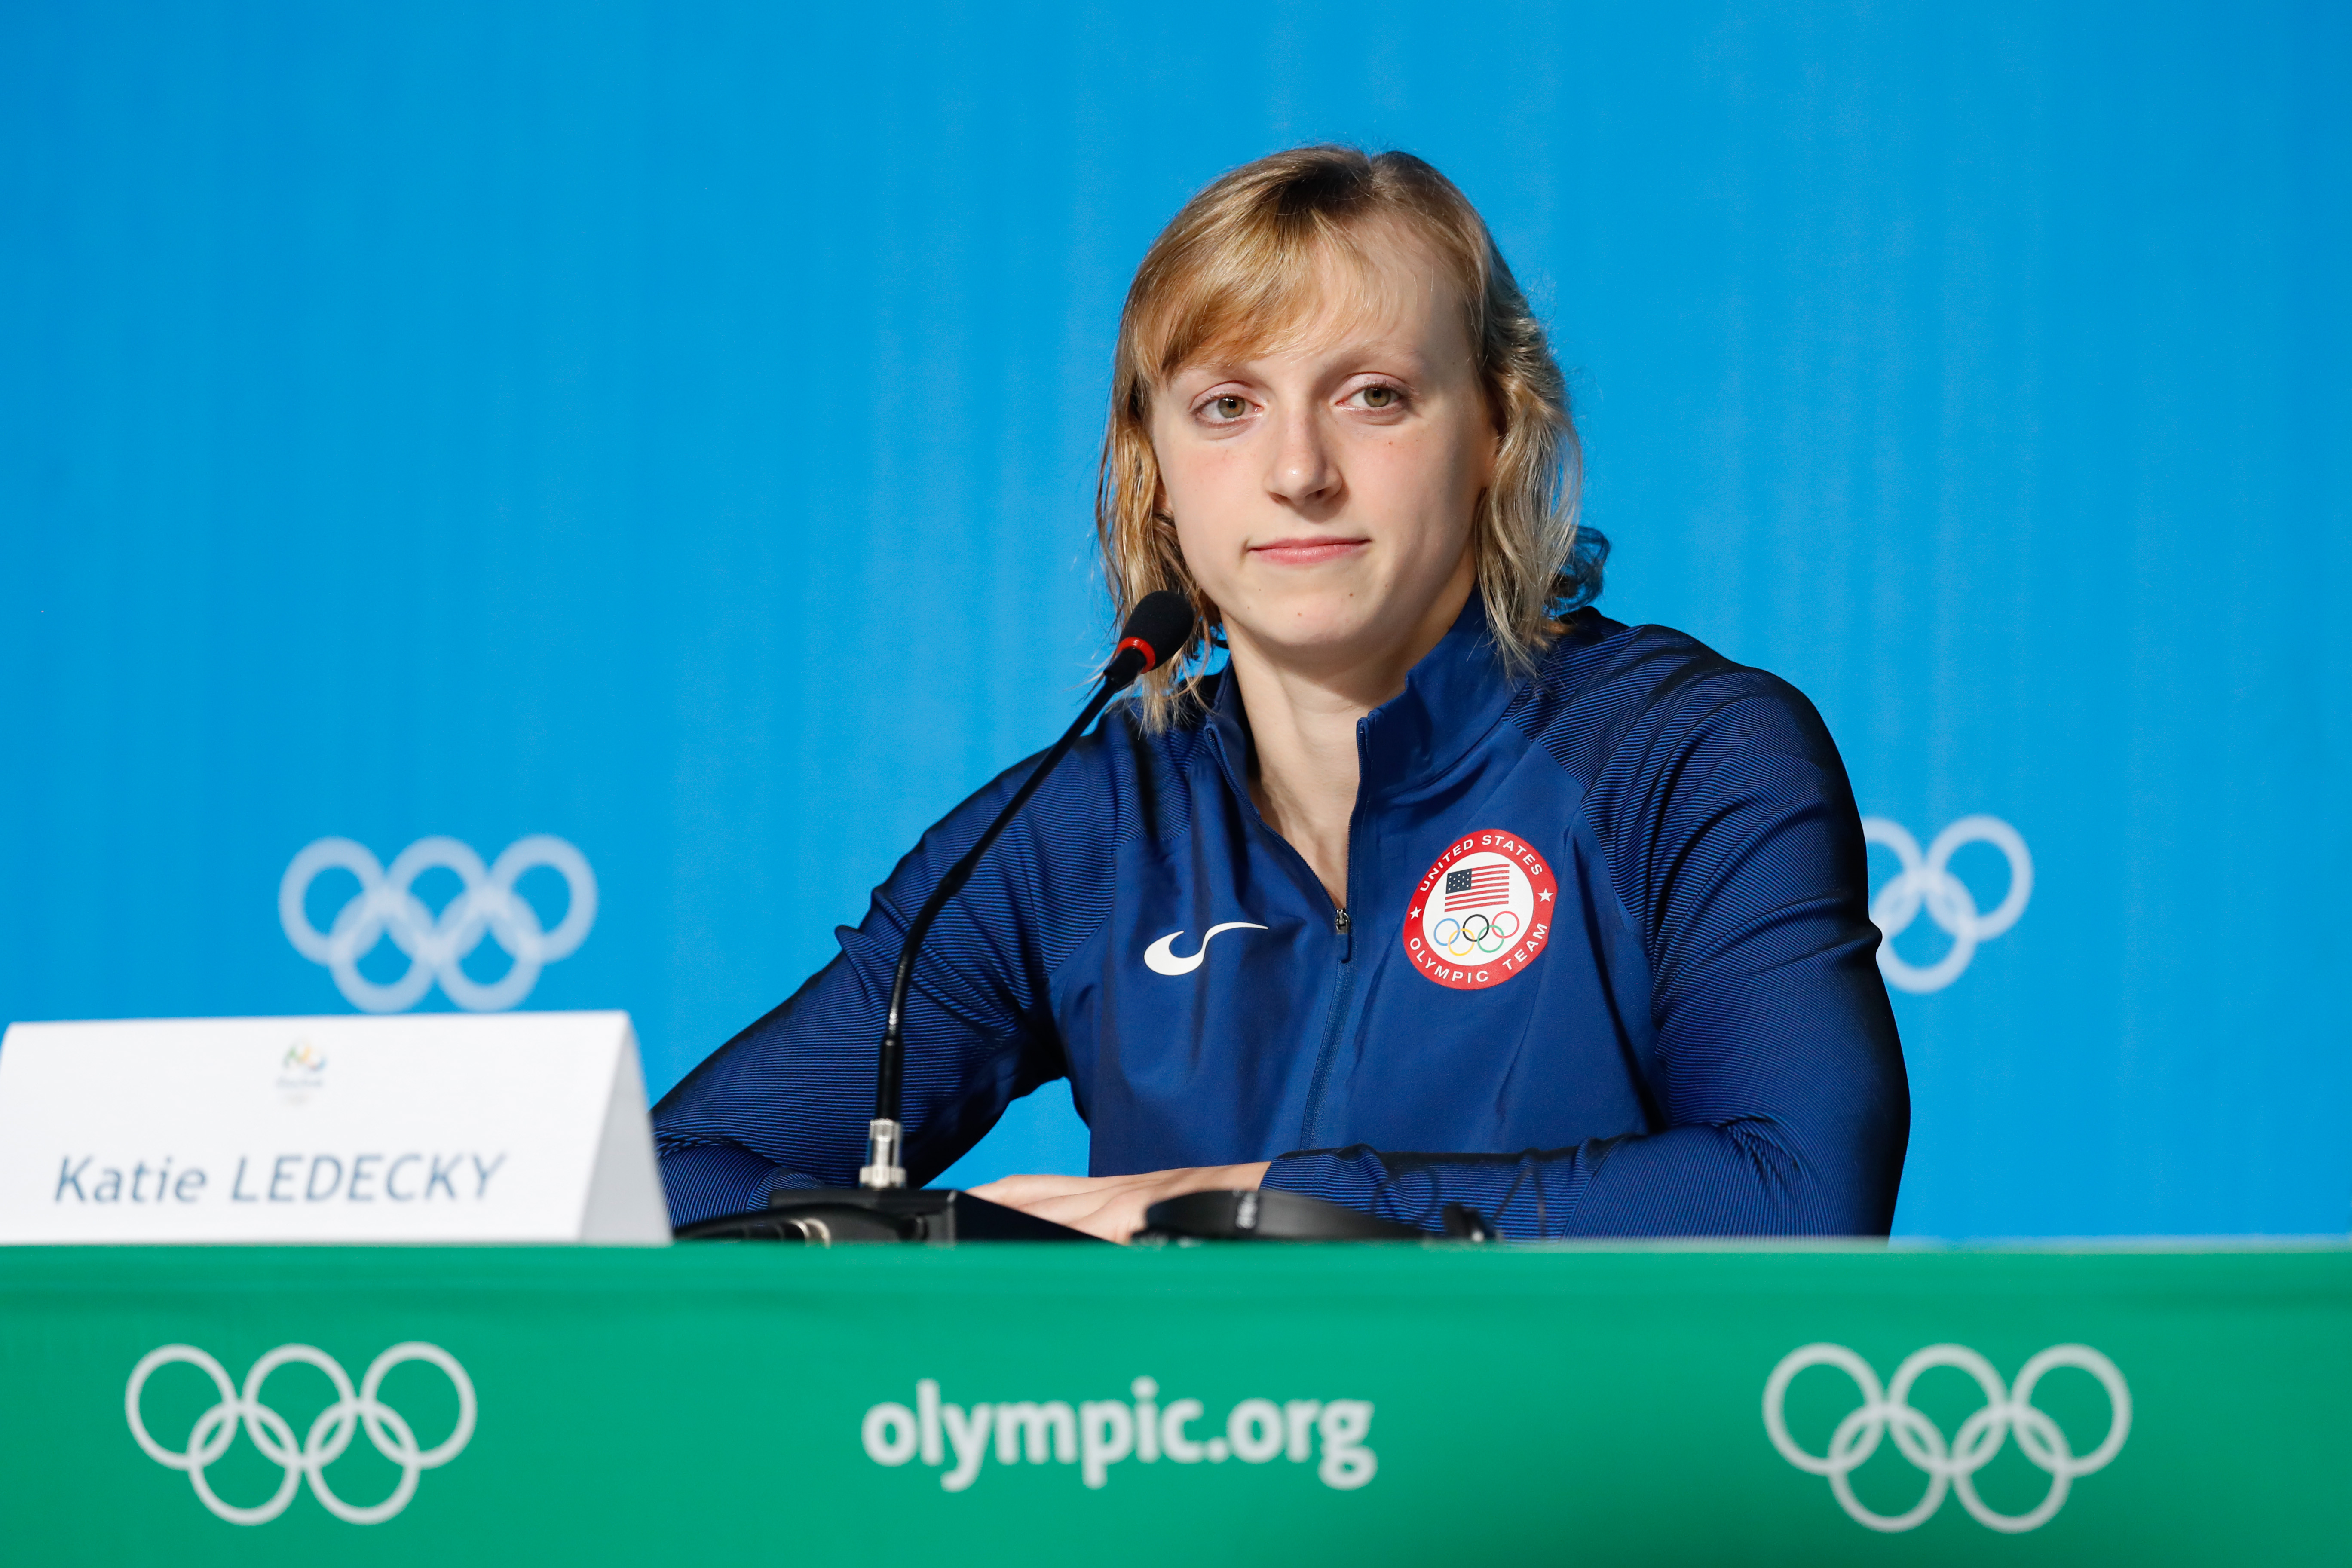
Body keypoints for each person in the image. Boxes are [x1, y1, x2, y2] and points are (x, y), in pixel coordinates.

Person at [654, 146, 1908, 1242]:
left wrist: (1239, 1209)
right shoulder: (1081, 830)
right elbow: (663, 1181)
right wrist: (976, 1248)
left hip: (1584, 1502)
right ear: (1156, 477)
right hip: (1199, 1496)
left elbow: (1795, 1198)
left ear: (1497, 437)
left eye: (1373, 396)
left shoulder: (1689, 757)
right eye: (1227, 407)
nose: (1298, 470)